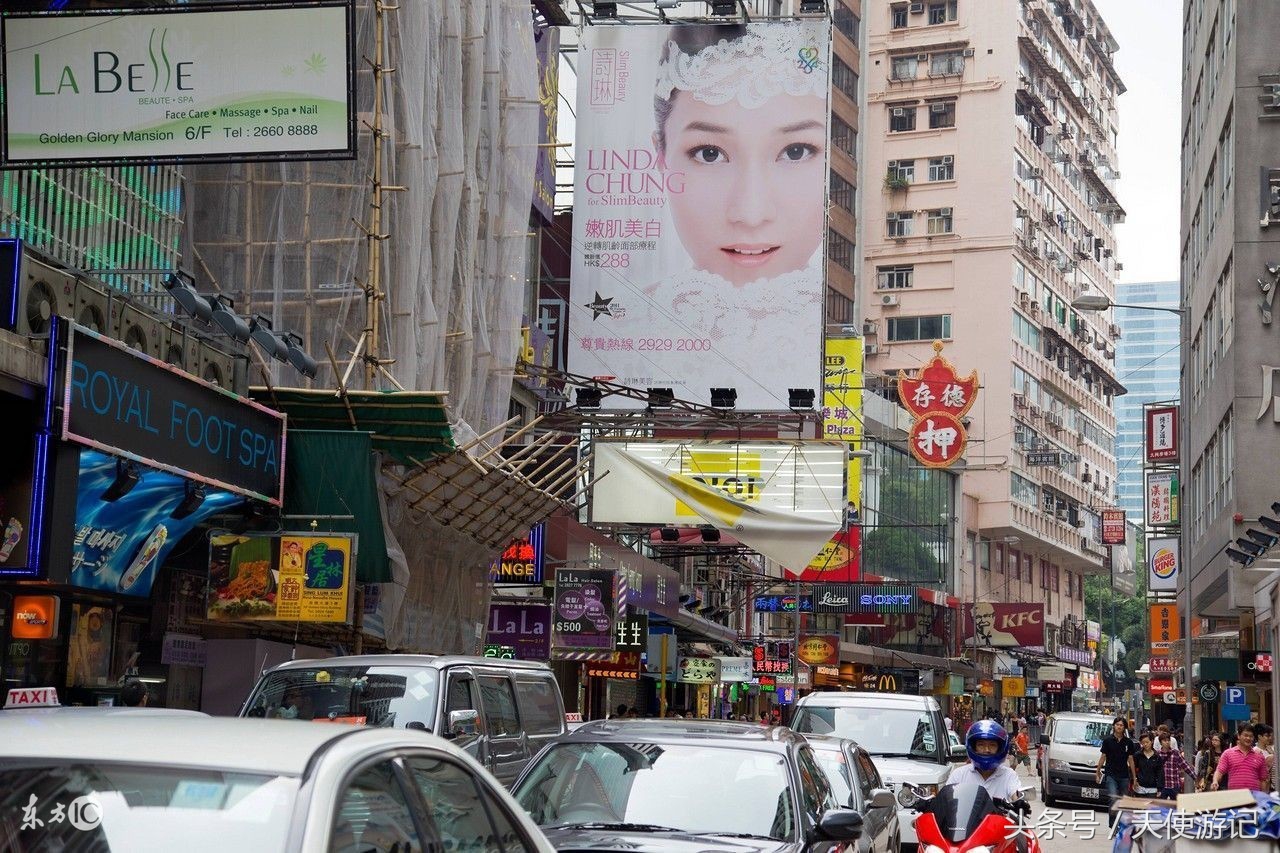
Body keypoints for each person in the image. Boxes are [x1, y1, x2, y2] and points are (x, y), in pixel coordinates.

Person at [641, 21, 827, 392]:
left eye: (795, 152)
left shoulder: (841, 336)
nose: (750, 212)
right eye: (709, 154)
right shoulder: (618, 331)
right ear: (661, 157)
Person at [944, 720, 1024, 802]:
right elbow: (945, 799)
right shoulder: (959, 775)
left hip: (1000, 814)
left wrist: (1020, 801)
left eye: (992, 745)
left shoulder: (1009, 775)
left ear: (1000, 748)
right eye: (981, 745)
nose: (987, 750)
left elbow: (1016, 793)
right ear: (973, 747)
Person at [1211, 724, 1269, 792]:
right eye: (1246, 735)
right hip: (1235, 798)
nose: (1248, 738)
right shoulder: (1228, 754)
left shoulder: (1259, 757)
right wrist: (1215, 781)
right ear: (1239, 736)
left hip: (1254, 798)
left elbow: (1263, 780)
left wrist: (1263, 797)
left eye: (1251, 736)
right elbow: (1220, 771)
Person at [1095, 716, 1137, 800]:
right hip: (1111, 774)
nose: (1119, 727)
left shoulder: (1129, 742)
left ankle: (1119, 813)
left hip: (1124, 775)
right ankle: (1113, 813)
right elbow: (1103, 756)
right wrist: (1098, 771)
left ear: (1124, 727)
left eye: (1121, 725)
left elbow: (1131, 759)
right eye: (1117, 724)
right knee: (1113, 798)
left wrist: (1134, 777)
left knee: (1123, 799)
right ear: (1114, 726)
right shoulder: (1107, 740)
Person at [1157, 729, 1196, 799]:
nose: (1167, 742)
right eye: (1165, 740)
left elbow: (1186, 766)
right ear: (1160, 742)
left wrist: (1195, 778)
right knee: (1162, 807)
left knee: (1176, 807)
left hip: (1174, 784)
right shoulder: (1157, 754)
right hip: (1162, 786)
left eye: (1168, 740)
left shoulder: (1175, 753)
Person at [1131, 731, 1165, 796]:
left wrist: (1160, 788)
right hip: (1139, 787)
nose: (1145, 744)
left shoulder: (1157, 757)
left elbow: (1160, 773)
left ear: (1152, 741)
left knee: (1151, 806)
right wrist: (1134, 780)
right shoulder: (1138, 755)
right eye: (1143, 743)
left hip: (1153, 788)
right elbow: (1132, 768)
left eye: (1147, 742)